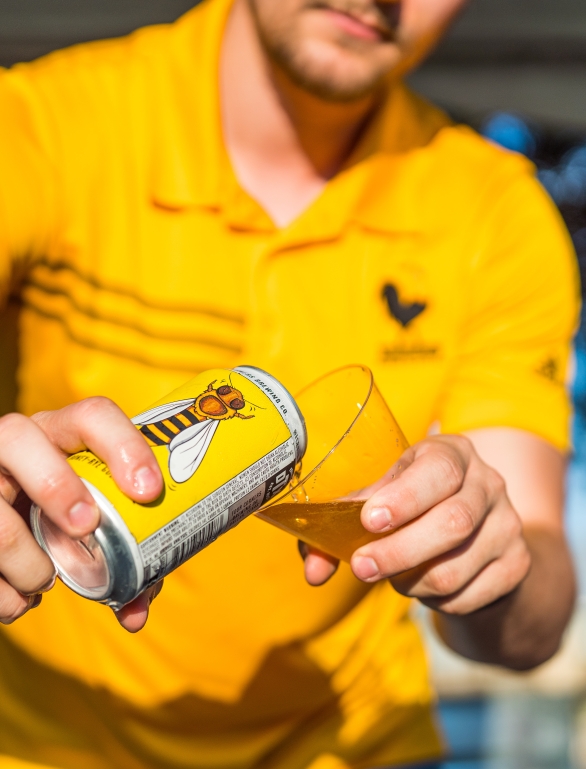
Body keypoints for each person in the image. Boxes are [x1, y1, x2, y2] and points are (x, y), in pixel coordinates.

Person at [0, 0, 578, 767]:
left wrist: (488, 559)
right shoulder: (43, 125)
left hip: (356, 743)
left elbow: (535, 612)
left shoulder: (496, 215)